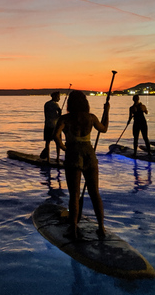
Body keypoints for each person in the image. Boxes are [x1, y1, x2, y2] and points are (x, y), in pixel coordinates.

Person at [53, 90, 109, 240]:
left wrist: (63, 147)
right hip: (89, 154)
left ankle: (74, 230)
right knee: (95, 193)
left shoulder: (65, 118)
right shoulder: (91, 118)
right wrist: (107, 111)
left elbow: (55, 135)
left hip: (73, 155)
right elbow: (103, 128)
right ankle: (101, 227)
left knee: (75, 195)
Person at [41, 91, 62, 160]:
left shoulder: (46, 104)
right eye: (58, 97)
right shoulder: (55, 104)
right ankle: (58, 158)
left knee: (47, 142)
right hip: (54, 126)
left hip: (47, 125)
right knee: (58, 142)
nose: (59, 98)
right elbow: (59, 114)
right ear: (55, 97)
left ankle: (48, 158)